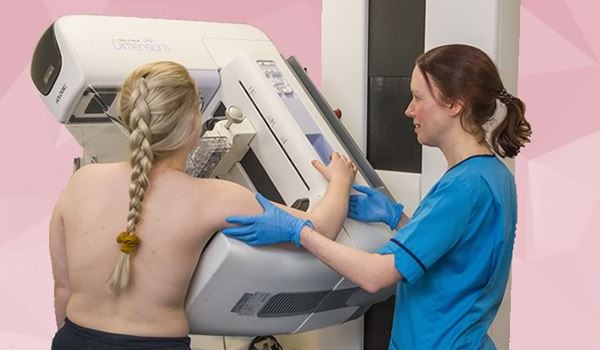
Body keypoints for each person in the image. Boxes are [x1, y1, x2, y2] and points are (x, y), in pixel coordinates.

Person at [223, 44, 532, 349]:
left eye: (418, 97)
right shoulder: (492, 175)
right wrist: (396, 218)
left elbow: (374, 276)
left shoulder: (464, 187)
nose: (409, 109)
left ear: (454, 104)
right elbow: (455, 254)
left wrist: (298, 231)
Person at [49, 61, 357, 349]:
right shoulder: (215, 197)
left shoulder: (81, 181)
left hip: (74, 339)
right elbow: (322, 228)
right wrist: (341, 179)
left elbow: (63, 289)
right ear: (194, 120)